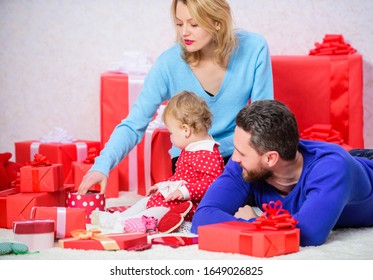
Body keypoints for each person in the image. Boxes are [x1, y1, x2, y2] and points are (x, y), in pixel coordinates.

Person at [77, 0, 273, 195]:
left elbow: (264, 117)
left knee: (253, 198)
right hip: (191, 164)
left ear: (217, 23)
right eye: (179, 24)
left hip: (238, 157)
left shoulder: (254, 48)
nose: (184, 32)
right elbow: (133, 124)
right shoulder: (168, 63)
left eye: (193, 24)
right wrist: (100, 166)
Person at [191, 100, 373, 247]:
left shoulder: (332, 169)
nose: (235, 158)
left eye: (242, 153)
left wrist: (259, 221)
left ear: (270, 158)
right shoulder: (243, 163)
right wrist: (258, 226)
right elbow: (202, 219)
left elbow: (310, 233)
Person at [90, 91, 225, 233]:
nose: (171, 138)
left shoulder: (207, 153)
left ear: (185, 130)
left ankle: (129, 223)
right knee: (146, 201)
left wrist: (185, 191)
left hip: (191, 204)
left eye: (172, 133)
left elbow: (212, 184)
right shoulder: (190, 149)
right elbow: (181, 177)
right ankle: (118, 218)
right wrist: (163, 185)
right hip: (176, 199)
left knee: (158, 211)